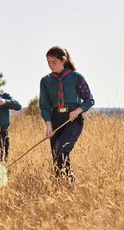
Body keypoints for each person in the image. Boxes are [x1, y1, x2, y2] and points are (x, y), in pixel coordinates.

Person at [40, 46, 95, 182]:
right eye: (48, 62)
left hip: (73, 119)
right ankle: (60, 187)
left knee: (61, 149)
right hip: (55, 119)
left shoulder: (76, 77)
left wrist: (77, 111)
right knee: (55, 155)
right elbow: (45, 106)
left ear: (63, 60)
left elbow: (89, 100)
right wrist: (48, 125)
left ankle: (70, 182)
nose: (50, 65)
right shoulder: (45, 81)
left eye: (53, 62)